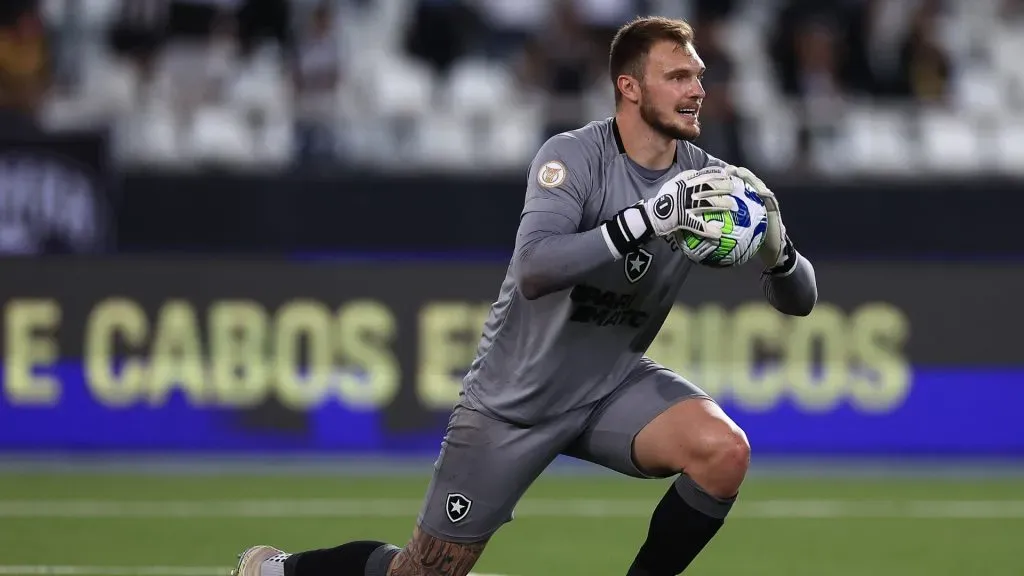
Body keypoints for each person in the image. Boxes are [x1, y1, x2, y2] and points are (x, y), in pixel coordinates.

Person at [232, 15, 817, 576]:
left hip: (611, 384)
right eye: (678, 76)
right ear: (630, 87)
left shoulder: (713, 185)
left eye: (698, 76)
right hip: (514, 400)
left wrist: (779, 251)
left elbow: (800, 301)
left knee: (723, 450)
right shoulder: (572, 157)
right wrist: (644, 220)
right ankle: (277, 571)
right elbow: (536, 268)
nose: (697, 90)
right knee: (423, 572)